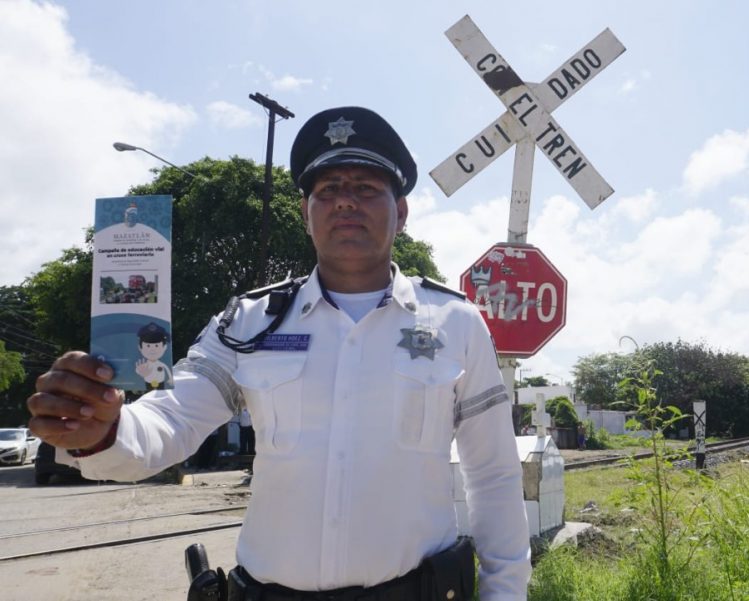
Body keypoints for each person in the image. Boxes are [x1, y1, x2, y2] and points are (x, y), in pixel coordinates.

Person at [28, 106, 531, 600]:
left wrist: (504, 593)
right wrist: (105, 429)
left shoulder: (456, 323)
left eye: (365, 188)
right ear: (306, 214)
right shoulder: (248, 323)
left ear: (400, 213)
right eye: (328, 190)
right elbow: (175, 416)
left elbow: (493, 474)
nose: (345, 202)